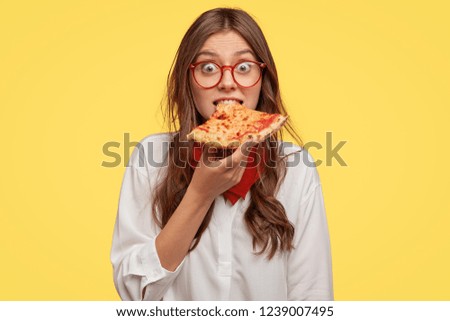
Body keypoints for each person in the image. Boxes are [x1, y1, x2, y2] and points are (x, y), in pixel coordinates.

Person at [110, 7, 333, 301]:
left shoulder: (296, 168)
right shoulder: (150, 158)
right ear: (188, 80)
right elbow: (135, 293)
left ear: (262, 76)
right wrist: (200, 194)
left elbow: (312, 299)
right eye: (208, 67)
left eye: (243, 67)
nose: (227, 82)